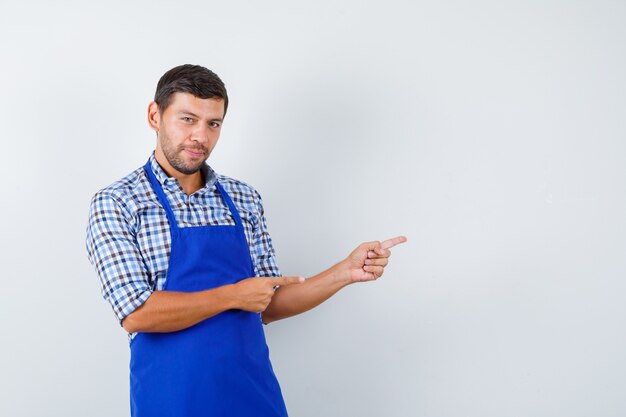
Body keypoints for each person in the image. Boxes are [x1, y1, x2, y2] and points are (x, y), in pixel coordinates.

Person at [85, 64, 406, 417]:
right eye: (187, 119)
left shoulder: (243, 199)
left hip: (253, 396)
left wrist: (343, 272)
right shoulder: (118, 202)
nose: (200, 137)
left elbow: (267, 303)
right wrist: (234, 295)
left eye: (213, 123)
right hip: (171, 401)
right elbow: (136, 313)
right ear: (154, 115)